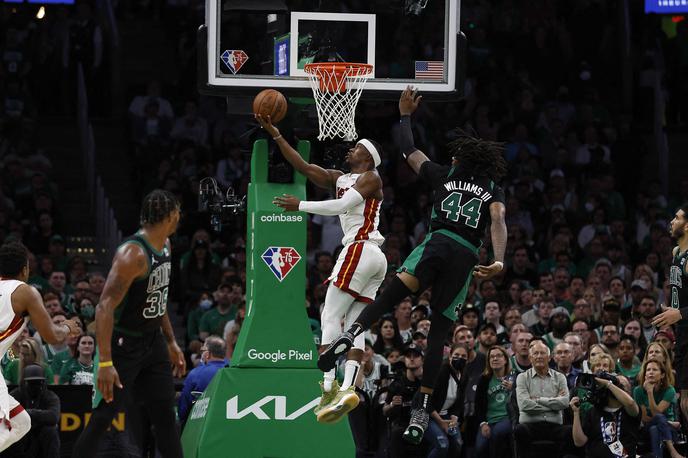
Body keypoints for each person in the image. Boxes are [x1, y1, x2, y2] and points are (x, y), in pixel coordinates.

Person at [318, 87, 508, 443]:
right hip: (466, 255)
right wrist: (498, 260)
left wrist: (404, 115)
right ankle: (422, 406)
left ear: (460, 160)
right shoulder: (493, 189)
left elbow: (408, 151)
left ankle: (350, 334)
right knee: (439, 333)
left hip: (437, 244)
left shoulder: (445, 175)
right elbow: (498, 221)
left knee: (392, 294)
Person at [257, 112, 387, 424]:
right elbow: (302, 166)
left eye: (356, 147)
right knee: (355, 325)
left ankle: (328, 387)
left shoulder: (372, 178)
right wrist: (275, 134)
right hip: (373, 258)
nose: (350, 150)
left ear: (367, 157)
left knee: (330, 315)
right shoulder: (339, 178)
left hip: (360, 248)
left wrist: (300, 206)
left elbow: (341, 207)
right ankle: (347, 387)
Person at [73, 189, 186, 458]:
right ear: (171, 216)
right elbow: (104, 307)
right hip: (123, 344)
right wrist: (105, 362)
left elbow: (158, 298)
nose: (180, 217)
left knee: (166, 418)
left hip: (153, 340)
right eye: (178, 212)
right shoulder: (132, 255)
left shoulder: (166, 245)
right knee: (103, 418)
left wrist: (171, 341)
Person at [0, 241, 80, 452]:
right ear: (25, 269)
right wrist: (67, 326)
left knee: (22, 422)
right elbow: (52, 336)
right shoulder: (25, 292)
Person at [652, 203, 688, 425]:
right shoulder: (676, 252)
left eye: (677, 218)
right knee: (684, 398)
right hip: (683, 332)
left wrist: (680, 314)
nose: (672, 222)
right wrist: (671, 310)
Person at [514, 340, 571, 456]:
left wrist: (538, 400)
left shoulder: (560, 377)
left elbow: (565, 402)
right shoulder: (522, 377)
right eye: (535, 353)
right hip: (530, 426)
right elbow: (524, 405)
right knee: (519, 430)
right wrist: (554, 404)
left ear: (549, 358)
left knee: (569, 431)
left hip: (554, 426)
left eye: (542, 353)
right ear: (530, 358)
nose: (539, 356)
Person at [570, 373, 640, 458]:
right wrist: (576, 413)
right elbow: (579, 442)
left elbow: (630, 403)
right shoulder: (593, 412)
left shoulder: (629, 410)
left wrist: (608, 384)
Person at [5, 365, 62, 458]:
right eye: (31, 383)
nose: (36, 386)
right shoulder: (16, 395)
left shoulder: (50, 396)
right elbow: (6, 413)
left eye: (39, 382)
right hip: (21, 435)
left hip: (41, 434)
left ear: (44, 383)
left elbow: (54, 417)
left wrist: (28, 413)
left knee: (51, 430)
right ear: (24, 383)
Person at [633, 358, 683, 458]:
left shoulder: (669, 390)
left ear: (662, 375)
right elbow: (644, 418)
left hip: (669, 430)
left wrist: (650, 393)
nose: (651, 372)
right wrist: (649, 392)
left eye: (655, 370)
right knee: (657, 422)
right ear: (645, 374)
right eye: (648, 370)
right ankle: (673, 451)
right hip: (647, 428)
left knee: (655, 428)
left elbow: (657, 413)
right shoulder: (638, 391)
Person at [474, 345, 513, 458]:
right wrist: (483, 424)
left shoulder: (514, 377)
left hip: (507, 418)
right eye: (492, 357)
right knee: (480, 448)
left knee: (498, 434)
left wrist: (513, 389)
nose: (495, 359)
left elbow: (521, 400)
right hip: (489, 421)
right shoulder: (484, 379)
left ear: (505, 360)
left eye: (498, 356)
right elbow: (478, 404)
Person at [178, 336, 227, 425]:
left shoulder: (195, 373)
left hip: (200, 425)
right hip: (227, 421)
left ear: (207, 354)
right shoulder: (234, 369)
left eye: (203, 351)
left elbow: (184, 406)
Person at [429, 344, 466, 458]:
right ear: (450, 356)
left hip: (446, 415)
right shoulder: (441, 372)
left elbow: (459, 402)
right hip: (428, 415)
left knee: (458, 443)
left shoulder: (464, 375)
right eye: (456, 355)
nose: (460, 358)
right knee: (443, 445)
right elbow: (426, 401)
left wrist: (454, 417)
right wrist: (440, 422)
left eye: (464, 356)